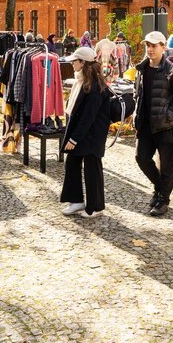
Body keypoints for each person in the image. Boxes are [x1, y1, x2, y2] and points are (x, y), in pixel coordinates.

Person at [134, 30, 173, 217]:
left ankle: (163, 198)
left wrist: (169, 116)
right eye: (147, 45)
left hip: (165, 126)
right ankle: (159, 187)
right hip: (146, 124)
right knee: (141, 158)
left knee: (167, 165)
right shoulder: (141, 69)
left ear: (163, 47)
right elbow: (139, 94)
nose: (150, 49)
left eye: (154, 46)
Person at [60, 47, 111, 219]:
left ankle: (95, 206)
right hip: (82, 132)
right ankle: (76, 200)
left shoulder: (95, 85)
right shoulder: (81, 81)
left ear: (83, 63)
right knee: (72, 162)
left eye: (75, 61)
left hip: (93, 134)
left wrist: (74, 138)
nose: (72, 64)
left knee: (92, 168)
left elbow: (89, 116)